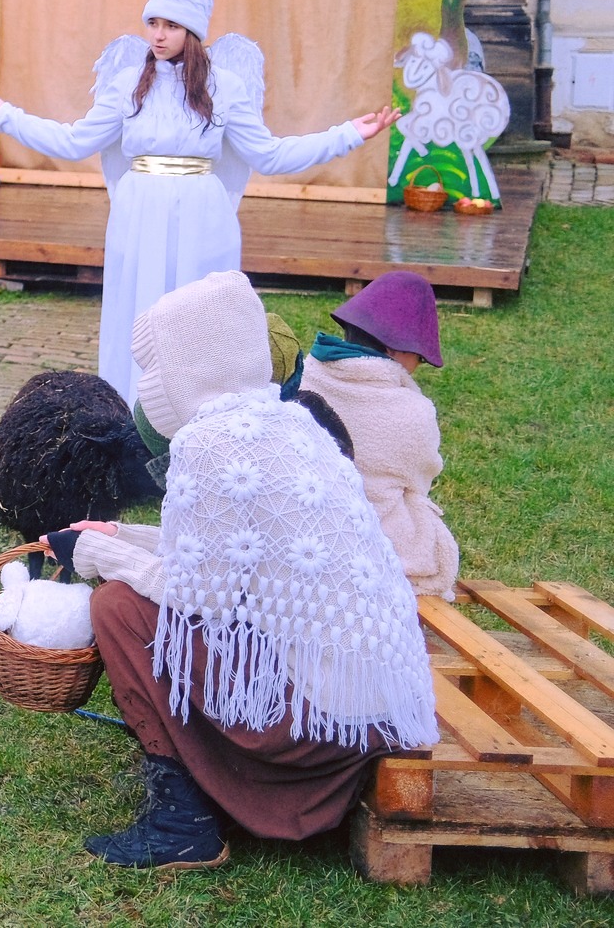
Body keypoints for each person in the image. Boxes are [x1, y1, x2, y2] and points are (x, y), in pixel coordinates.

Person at [47, 271, 436, 869]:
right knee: (133, 590)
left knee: (118, 608)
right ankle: (205, 796)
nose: (149, 386)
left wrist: (97, 556)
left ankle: (183, 822)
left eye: (156, 368)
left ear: (194, 363)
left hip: (319, 724)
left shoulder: (212, 442)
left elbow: (199, 595)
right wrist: (121, 536)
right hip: (373, 715)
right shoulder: (287, 419)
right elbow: (226, 552)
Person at [0, 0, 399, 400]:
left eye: (170, 25)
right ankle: (131, 406)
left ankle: (198, 409)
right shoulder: (130, 82)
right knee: (136, 308)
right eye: (152, 22)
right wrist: (5, 116)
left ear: (192, 32)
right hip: (139, 211)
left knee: (199, 313)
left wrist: (348, 135)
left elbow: (269, 155)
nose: (157, 33)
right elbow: (74, 142)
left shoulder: (223, 85)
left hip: (201, 213)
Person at [295, 270, 459, 598]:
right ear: (394, 349)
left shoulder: (302, 376)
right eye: (419, 356)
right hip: (365, 538)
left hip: (298, 525)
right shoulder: (414, 413)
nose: (419, 364)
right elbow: (422, 476)